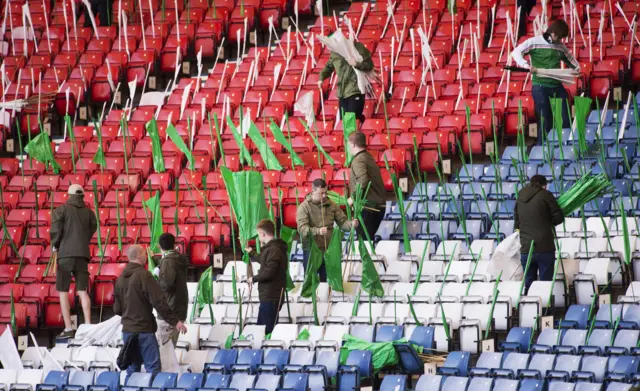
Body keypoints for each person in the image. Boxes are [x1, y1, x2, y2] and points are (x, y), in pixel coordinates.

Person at [114, 245, 187, 380]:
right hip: (144, 331)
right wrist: (175, 321)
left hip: (127, 331)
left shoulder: (120, 279)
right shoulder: (144, 275)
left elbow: (117, 309)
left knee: (132, 371)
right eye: (145, 254)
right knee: (153, 370)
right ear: (139, 256)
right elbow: (159, 302)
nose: (147, 256)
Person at [510, 19, 580, 144]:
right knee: (545, 119)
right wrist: (526, 66)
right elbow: (515, 52)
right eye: (558, 36)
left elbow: (572, 60)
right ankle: (542, 148)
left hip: (557, 86)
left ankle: (565, 145)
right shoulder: (534, 42)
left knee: (565, 117)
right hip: (540, 87)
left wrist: (577, 69)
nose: (559, 40)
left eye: (561, 38)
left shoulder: (560, 46)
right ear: (552, 32)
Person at [50, 184, 97, 338]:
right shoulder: (89, 213)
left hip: (65, 255)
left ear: (68, 195)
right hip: (82, 254)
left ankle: (69, 328)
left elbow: (56, 230)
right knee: (82, 291)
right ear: (82, 196)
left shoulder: (62, 210)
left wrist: (55, 245)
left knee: (63, 291)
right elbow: (92, 228)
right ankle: (89, 326)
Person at [296, 179, 357, 282]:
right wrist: (318, 231)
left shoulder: (332, 205)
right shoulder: (304, 207)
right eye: (321, 193)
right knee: (311, 282)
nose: (324, 196)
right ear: (313, 191)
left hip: (328, 250)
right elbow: (302, 229)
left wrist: (351, 225)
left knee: (327, 281)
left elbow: (342, 222)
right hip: (311, 251)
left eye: (325, 192)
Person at [514, 175, 565, 293]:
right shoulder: (545, 195)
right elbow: (558, 217)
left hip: (526, 248)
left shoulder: (520, 196)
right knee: (545, 284)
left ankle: (529, 308)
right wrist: (548, 222)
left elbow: (516, 224)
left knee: (529, 283)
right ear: (544, 185)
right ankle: (544, 309)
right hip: (544, 246)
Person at [245, 219, 288, 335]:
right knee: (262, 330)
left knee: (265, 331)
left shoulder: (274, 250)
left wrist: (253, 279)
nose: (258, 237)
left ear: (263, 234)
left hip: (271, 296)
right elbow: (265, 262)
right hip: (269, 295)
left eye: (259, 234)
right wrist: (252, 253)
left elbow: (269, 272)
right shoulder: (272, 249)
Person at [317, 36, 374, 123]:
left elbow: (369, 65)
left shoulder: (357, 47)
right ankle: (358, 129)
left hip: (356, 89)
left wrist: (356, 64)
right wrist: (321, 78)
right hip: (342, 92)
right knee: (344, 121)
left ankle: (359, 130)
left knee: (351, 120)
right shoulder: (334, 53)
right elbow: (329, 66)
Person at [347, 132, 386, 240]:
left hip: (369, 208)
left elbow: (362, 180)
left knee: (363, 242)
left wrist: (353, 197)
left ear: (353, 144)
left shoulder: (358, 160)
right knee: (366, 240)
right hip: (376, 206)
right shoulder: (367, 157)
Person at [153, 233, 189, 347]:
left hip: (169, 311)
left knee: (165, 350)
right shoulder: (177, 259)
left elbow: (167, 285)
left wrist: (158, 276)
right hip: (177, 308)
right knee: (169, 349)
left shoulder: (168, 261)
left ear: (159, 246)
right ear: (174, 244)